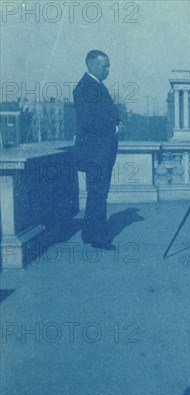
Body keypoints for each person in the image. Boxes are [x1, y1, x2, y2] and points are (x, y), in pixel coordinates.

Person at [73, 50, 123, 250]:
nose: (108, 70)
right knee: (98, 194)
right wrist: (116, 128)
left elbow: (106, 114)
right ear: (91, 65)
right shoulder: (87, 87)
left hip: (98, 151)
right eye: (105, 66)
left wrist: (116, 121)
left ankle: (89, 233)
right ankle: (99, 238)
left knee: (96, 193)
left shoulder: (94, 86)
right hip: (96, 151)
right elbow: (89, 121)